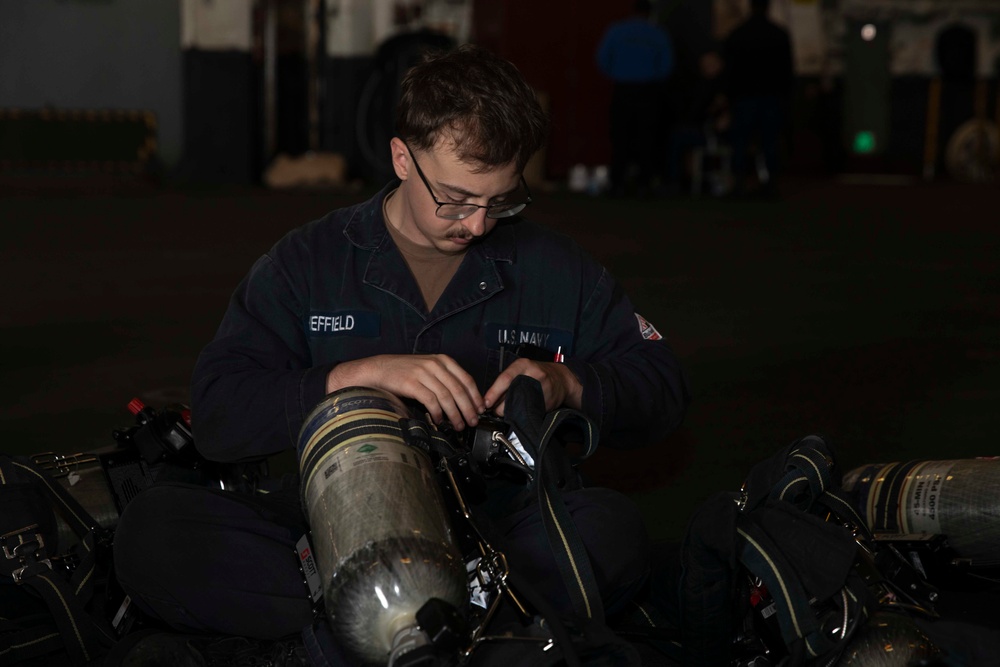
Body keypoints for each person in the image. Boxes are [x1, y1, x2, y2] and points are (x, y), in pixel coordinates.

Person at [112, 44, 691, 664]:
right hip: (330, 528)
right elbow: (221, 409)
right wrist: (353, 377)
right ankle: (468, 637)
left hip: (491, 536)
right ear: (401, 159)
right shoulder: (307, 262)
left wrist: (566, 383)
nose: (477, 225)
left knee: (610, 530)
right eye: (456, 198)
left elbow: (662, 387)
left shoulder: (557, 269)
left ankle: (348, 641)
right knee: (153, 535)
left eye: (501, 200)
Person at [596, 0, 675, 197]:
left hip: (623, 89)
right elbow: (667, 64)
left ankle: (617, 184)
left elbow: (602, 58)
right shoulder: (657, 33)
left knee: (620, 137)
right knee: (646, 138)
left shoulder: (617, 30)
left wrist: (617, 73)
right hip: (648, 91)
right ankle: (643, 184)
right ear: (649, 13)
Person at [723, 0, 793, 197]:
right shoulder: (778, 34)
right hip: (771, 97)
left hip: (744, 97)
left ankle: (739, 184)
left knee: (741, 142)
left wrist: (729, 96)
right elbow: (786, 70)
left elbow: (730, 71)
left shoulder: (738, 34)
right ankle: (770, 184)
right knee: (769, 142)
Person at [665, 49, 731, 195]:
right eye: (704, 65)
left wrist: (725, 115)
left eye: (711, 64)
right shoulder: (701, 84)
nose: (707, 68)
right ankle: (679, 181)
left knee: (678, 136)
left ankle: (676, 181)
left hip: (719, 133)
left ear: (720, 64)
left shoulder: (726, 84)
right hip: (703, 129)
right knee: (677, 134)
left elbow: (724, 111)